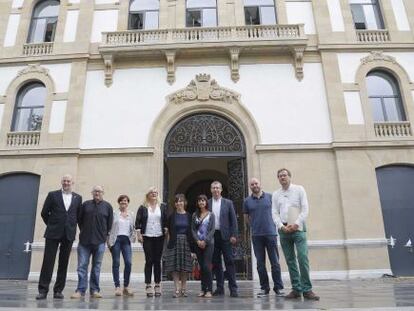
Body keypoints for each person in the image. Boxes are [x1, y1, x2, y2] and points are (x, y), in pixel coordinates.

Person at [272, 168, 320, 301]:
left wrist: (296, 224)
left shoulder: (299, 189)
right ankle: (296, 289)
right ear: (278, 179)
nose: (282, 177)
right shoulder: (276, 194)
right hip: (284, 230)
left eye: (285, 175)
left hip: (298, 229)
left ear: (290, 177)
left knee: (302, 258)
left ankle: (307, 289)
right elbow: (274, 213)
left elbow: (305, 209)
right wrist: (281, 226)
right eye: (280, 176)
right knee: (290, 260)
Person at [36, 174, 82, 300]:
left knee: (64, 262)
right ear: (61, 182)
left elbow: (78, 216)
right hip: (53, 232)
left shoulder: (78, 198)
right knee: (48, 262)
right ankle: (43, 290)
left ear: (72, 183)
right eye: (64, 181)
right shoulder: (52, 195)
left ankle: (58, 291)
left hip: (69, 233)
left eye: (69, 181)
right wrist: (52, 224)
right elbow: (44, 212)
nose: (66, 183)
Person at [243, 177, 284, 298]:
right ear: (250, 187)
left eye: (256, 183)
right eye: (252, 184)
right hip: (256, 236)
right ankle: (264, 288)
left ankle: (278, 288)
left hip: (271, 234)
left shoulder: (270, 197)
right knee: (260, 264)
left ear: (260, 184)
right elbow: (246, 217)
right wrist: (253, 225)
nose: (254, 185)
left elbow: (278, 213)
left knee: (275, 263)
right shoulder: (247, 201)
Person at [71, 185, 113, 299]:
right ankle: (80, 290)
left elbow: (109, 224)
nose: (97, 193)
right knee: (82, 266)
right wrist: (85, 230)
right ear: (92, 193)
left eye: (99, 191)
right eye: (95, 191)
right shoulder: (85, 205)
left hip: (100, 242)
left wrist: (105, 237)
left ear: (103, 193)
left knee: (96, 267)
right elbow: (79, 220)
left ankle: (94, 290)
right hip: (84, 241)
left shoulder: (108, 206)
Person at [135, 187, 168, 297]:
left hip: (159, 236)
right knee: (149, 260)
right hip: (147, 236)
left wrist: (167, 229)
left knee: (157, 260)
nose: (154, 194)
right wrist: (139, 235)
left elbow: (166, 220)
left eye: (155, 193)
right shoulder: (143, 207)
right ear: (148, 195)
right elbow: (138, 222)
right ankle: (148, 285)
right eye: (151, 193)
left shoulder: (162, 206)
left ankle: (157, 284)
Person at [208, 181, 238, 297]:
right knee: (216, 263)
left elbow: (234, 221)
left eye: (218, 188)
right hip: (212, 236)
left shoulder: (228, 203)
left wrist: (234, 235)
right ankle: (220, 288)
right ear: (211, 190)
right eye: (214, 188)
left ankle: (233, 288)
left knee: (229, 261)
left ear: (221, 190)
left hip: (226, 236)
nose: (216, 190)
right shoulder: (208, 203)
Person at [164, 194, 194, 298]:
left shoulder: (190, 216)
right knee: (175, 268)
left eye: (181, 201)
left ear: (185, 202)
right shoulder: (171, 216)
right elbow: (168, 232)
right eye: (177, 201)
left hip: (186, 242)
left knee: (184, 268)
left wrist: (193, 248)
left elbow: (192, 231)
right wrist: (168, 245)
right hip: (174, 242)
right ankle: (176, 288)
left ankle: (184, 288)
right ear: (175, 204)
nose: (179, 203)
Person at [107, 194, 136, 296]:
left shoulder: (131, 214)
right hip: (116, 240)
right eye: (122, 201)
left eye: (126, 201)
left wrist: (133, 237)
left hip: (126, 240)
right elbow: (109, 227)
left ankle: (126, 286)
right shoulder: (114, 213)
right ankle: (117, 287)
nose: (124, 202)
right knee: (116, 263)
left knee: (128, 262)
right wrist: (109, 242)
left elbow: (133, 227)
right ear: (119, 202)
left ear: (128, 203)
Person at [191, 194, 215, 298]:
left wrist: (205, 241)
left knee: (206, 266)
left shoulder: (211, 214)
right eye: (199, 201)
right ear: (197, 203)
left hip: (208, 244)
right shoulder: (194, 215)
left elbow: (212, 229)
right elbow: (192, 229)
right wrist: (197, 241)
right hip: (198, 244)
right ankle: (202, 289)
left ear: (206, 202)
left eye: (203, 200)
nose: (201, 202)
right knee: (201, 267)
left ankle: (209, 289)